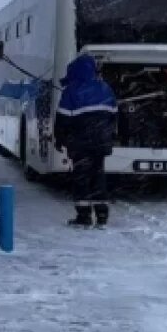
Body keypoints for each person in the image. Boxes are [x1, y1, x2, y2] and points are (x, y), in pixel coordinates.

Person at [53, 53, 118, 227]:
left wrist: (59, 139)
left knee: (81, 178)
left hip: (80, 144)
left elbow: (62, 119)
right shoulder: (105, 88)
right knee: (98, 176)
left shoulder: (71, 91)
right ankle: (102, 215)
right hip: (101, 143)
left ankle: (84, 216)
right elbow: (114, 116)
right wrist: (110, 136)